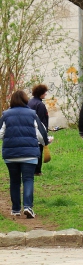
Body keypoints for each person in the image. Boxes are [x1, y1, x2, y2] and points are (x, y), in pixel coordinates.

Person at [0, 90, 49, 218]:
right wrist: (46, 142)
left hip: (11, 154)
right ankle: (28, 207)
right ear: (25, 100)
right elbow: (41, 133)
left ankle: (16, 209)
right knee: (28, 179)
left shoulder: (5, 115)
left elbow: (0, 133)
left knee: (14, 181)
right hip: (29, 153)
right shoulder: (32, 114)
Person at [28, 84, 49, 176]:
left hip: (28, 130)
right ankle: (37, 171)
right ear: (41, 93)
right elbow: (41, 120)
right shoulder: (40, 104)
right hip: (37, 130)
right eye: (45, 92)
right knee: (39, 150)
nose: (46, 94)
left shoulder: (29, 102)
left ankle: (30, 169)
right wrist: (44, 132)